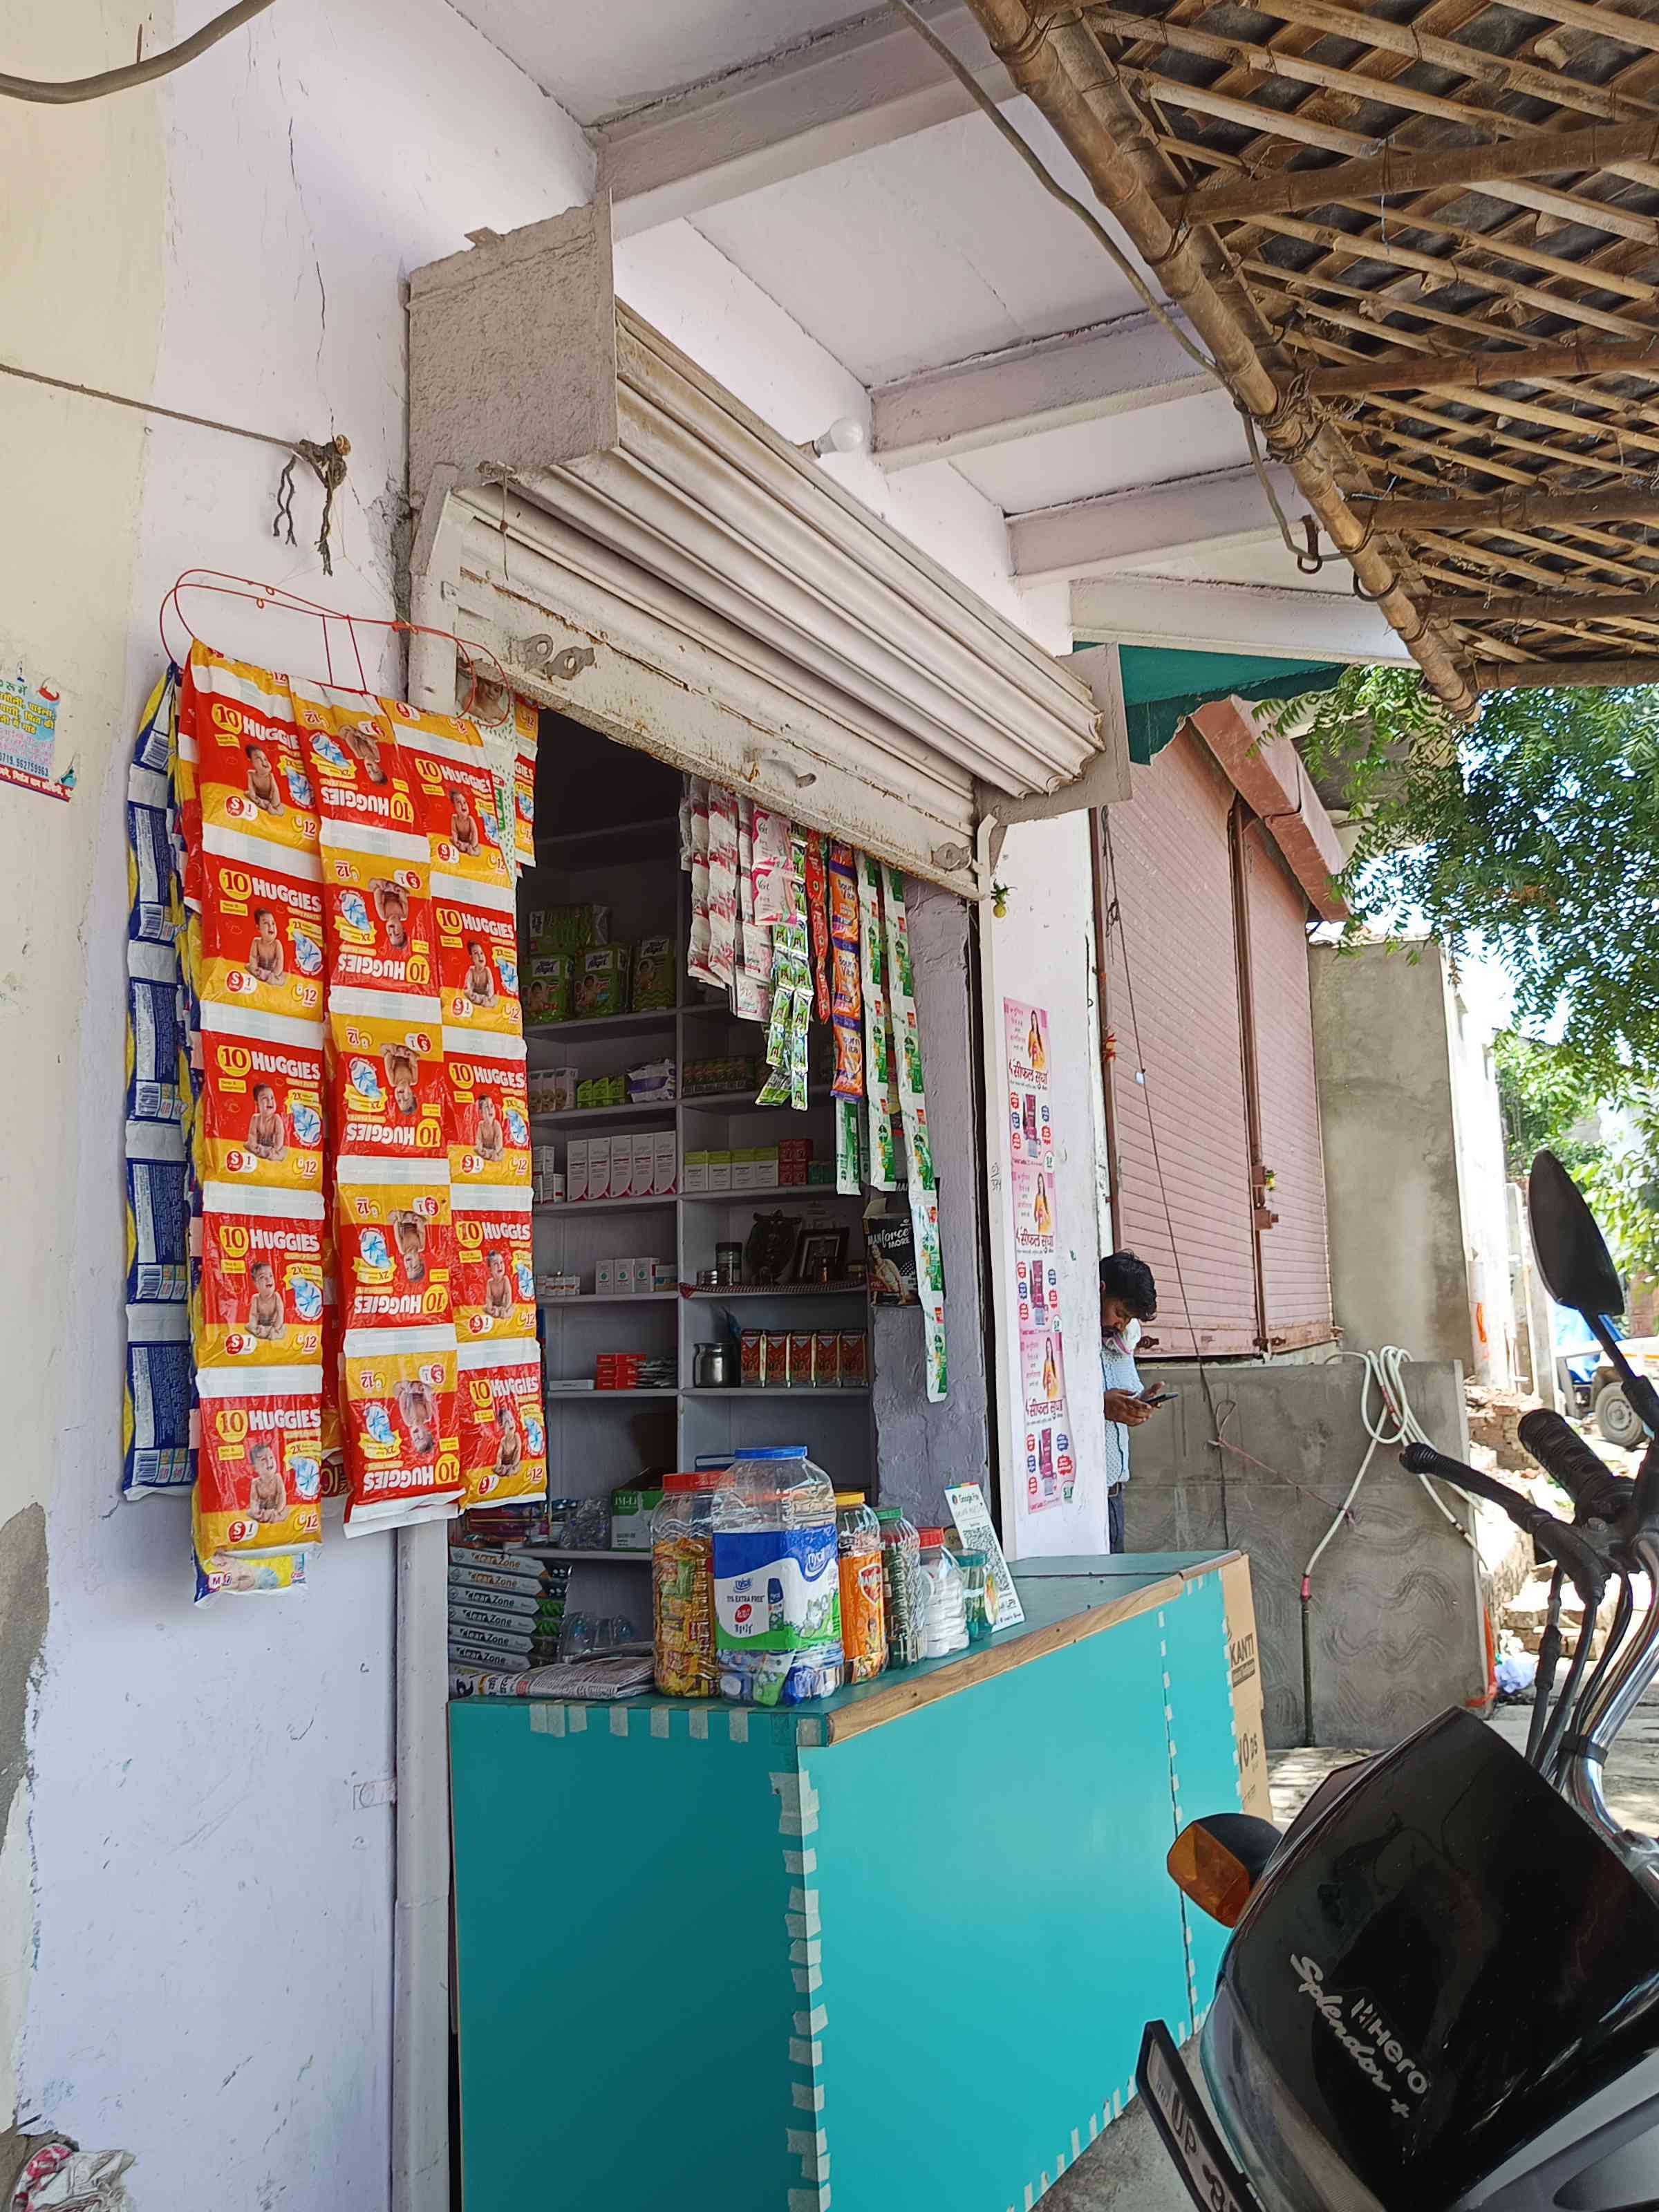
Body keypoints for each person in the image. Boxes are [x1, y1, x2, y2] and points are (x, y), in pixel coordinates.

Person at [1100, 1248, 1161, 1553]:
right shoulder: (1068, 1340)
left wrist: (1140, 1402)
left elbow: (1126, 1391)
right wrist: (1100, 1407)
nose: (1122, 1325)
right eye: (1121, 1313)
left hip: (1114, 1494)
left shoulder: (1119, 1344)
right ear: (1100, 1290)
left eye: (1129, 1319)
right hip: (1081, 1498)